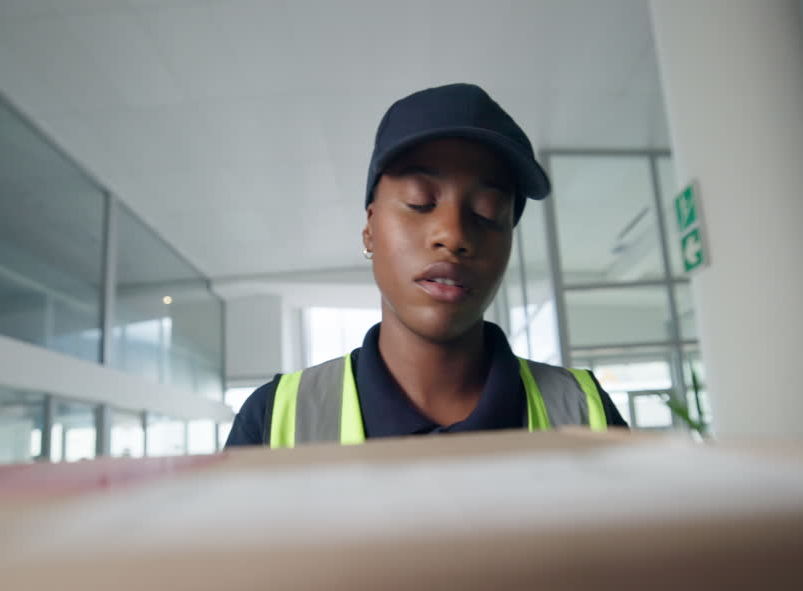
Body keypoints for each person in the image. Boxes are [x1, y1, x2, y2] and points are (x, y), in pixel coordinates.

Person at [226, 83, 627, 448]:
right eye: (420, 202)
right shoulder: (272, 420)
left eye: (488, 214)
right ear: (370, 229)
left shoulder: (585, 412)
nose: (453, 236)